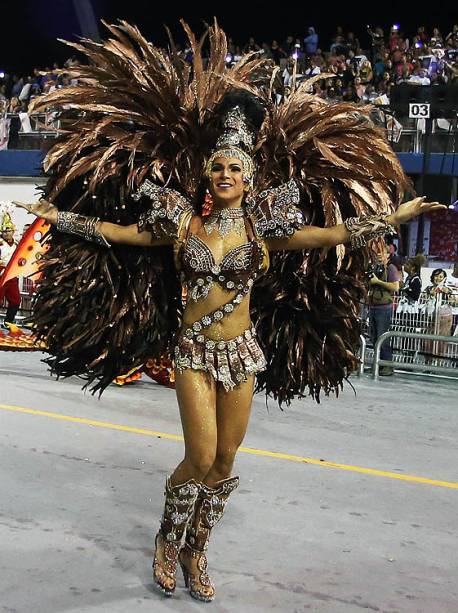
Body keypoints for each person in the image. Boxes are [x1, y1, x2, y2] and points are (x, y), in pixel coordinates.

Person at [13, 21, 444, 604]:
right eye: (217, 168)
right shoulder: (180, 224)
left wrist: (394, 217)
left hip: (242, 354)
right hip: (193, 350)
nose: (225, 175)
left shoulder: (265, 231)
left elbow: (328, 234)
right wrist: (55, 217)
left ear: (250, 178)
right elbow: (118, 231)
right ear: (207, 175)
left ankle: (197, 547)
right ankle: (169, 537)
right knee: (199, 454)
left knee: (225, 462)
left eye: (235, 169)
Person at [367, 245, 402, 375]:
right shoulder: (375, 268)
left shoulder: (391, 268)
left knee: (383, 337)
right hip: (373, 305)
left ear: (388, 255)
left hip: (383, 307)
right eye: (376, 253)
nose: (378, 255)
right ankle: (378, 364)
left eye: (381, 253)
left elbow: (395, 287)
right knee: (375, 337)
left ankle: (387, 365)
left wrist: (377, 282)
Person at [0, 212, 21, 327]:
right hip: (1, 274)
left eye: (8, 231)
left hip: (12, 275)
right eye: (4, 231)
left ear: (13, 232)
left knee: (16, 300)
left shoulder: (17, 245)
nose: (6, 233)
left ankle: (8, 323)